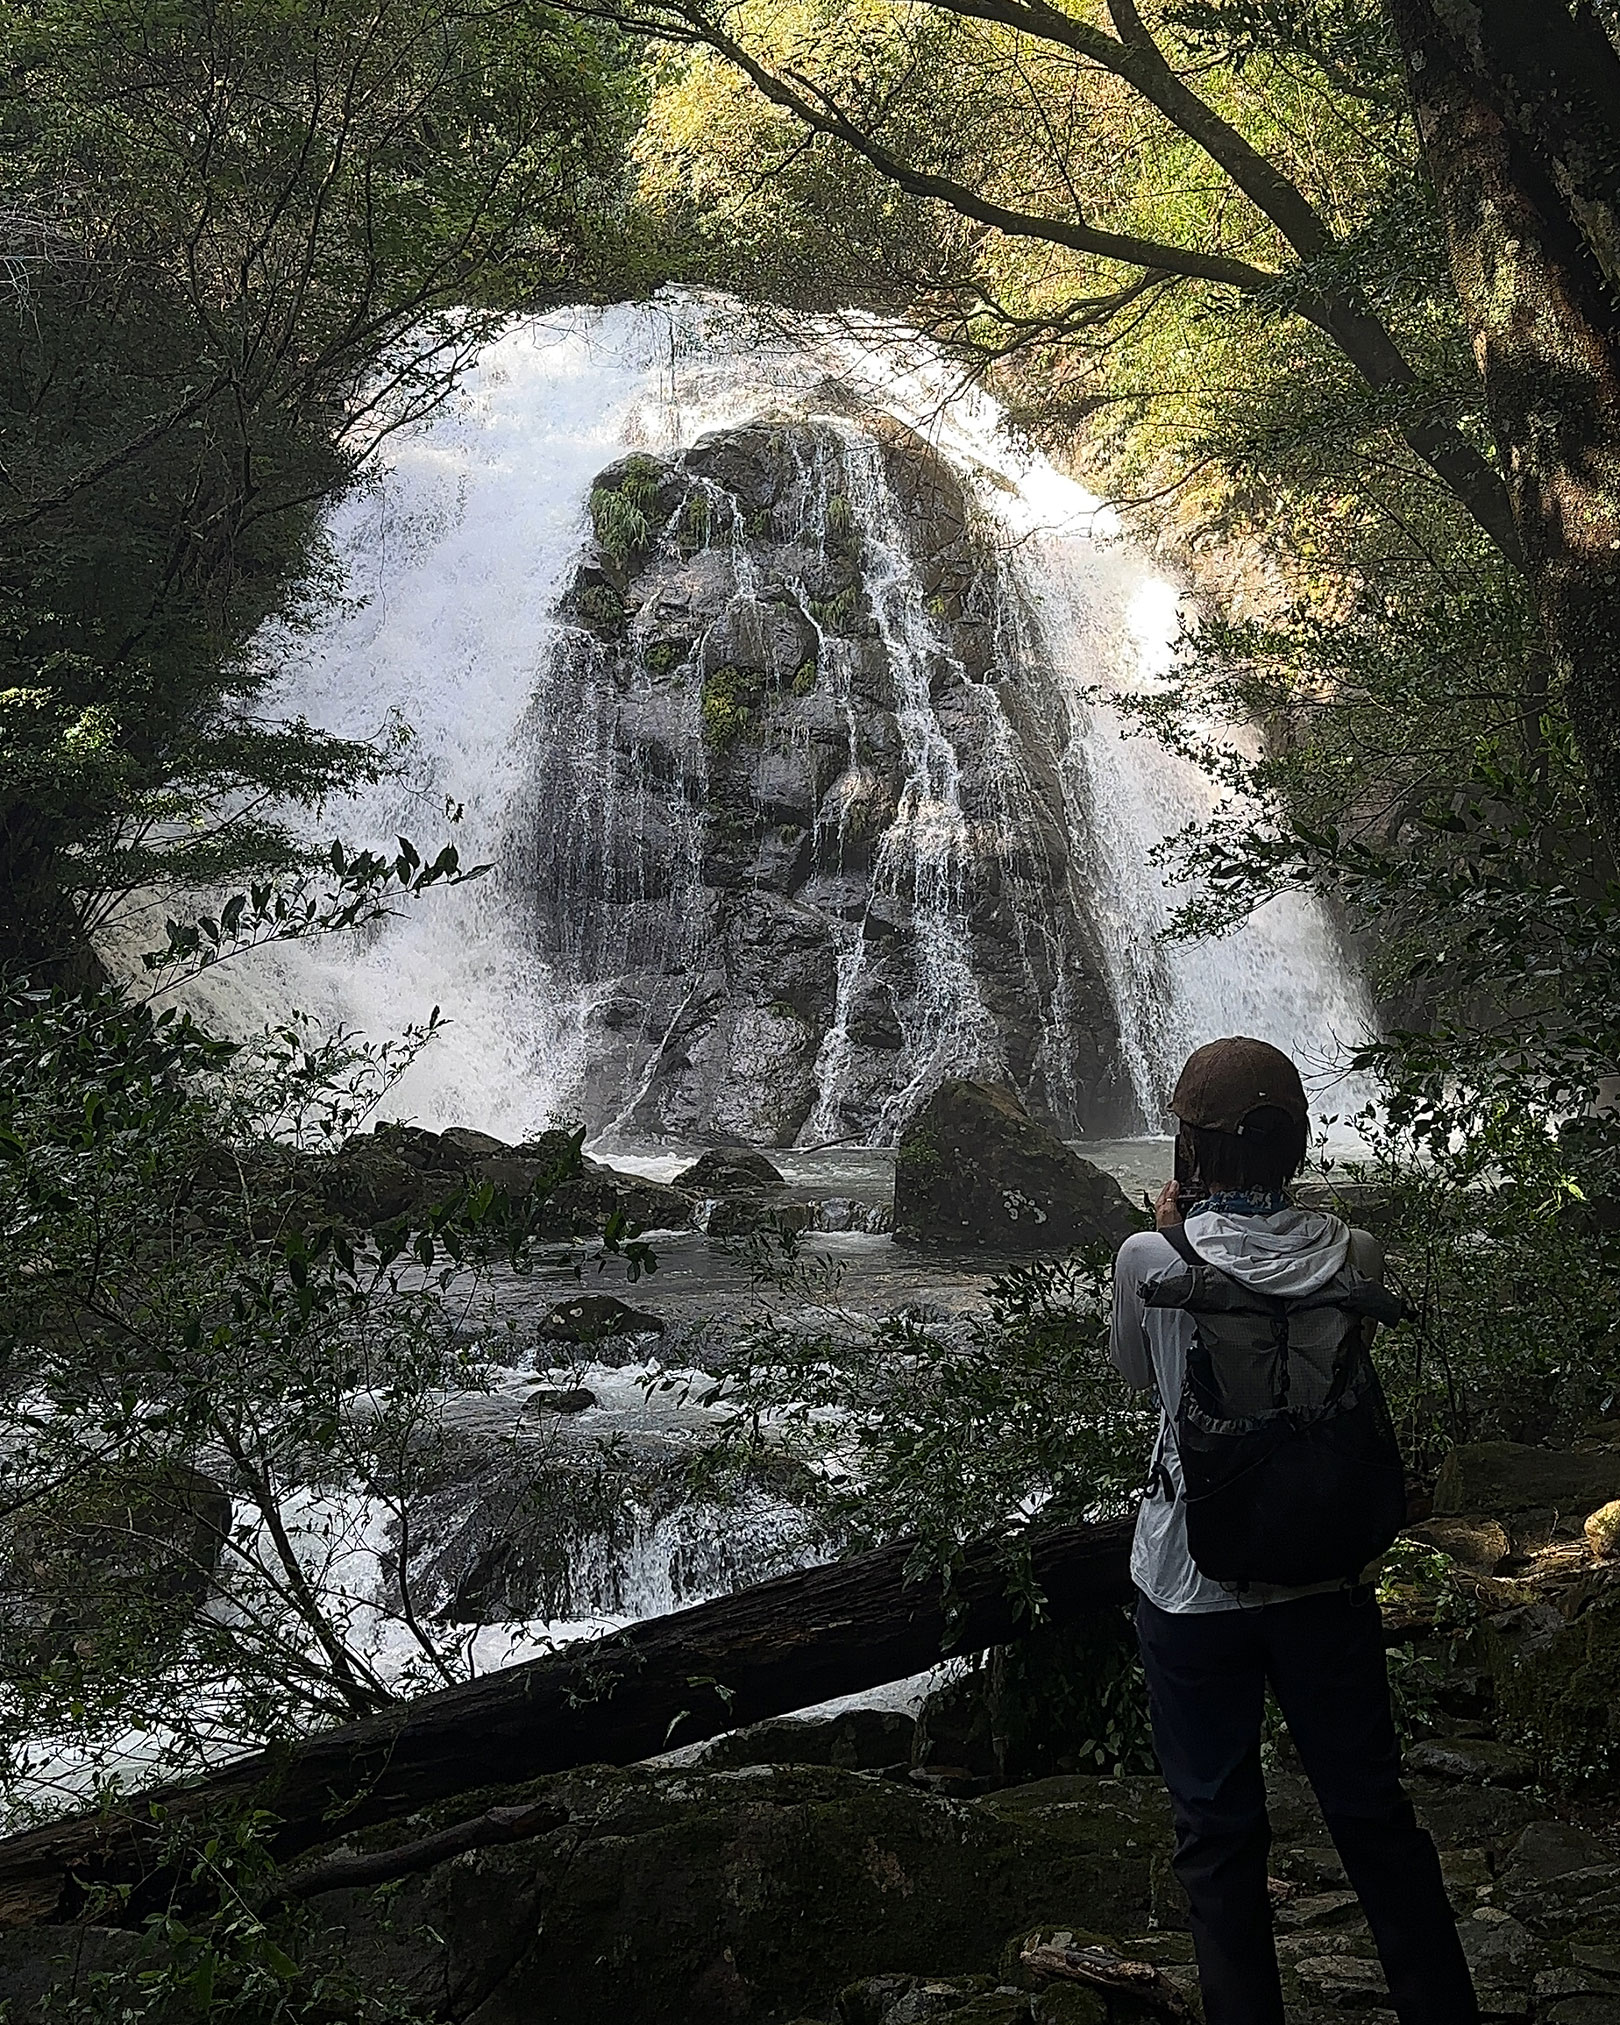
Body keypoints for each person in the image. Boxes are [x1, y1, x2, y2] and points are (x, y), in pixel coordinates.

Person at [1110, 1036, 1479, 2025]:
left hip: (1193, 1584)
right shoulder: (1355, 1254)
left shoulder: (1153, 1256)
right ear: (1294, 1144)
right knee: (1374, 1814)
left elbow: (1140, 1378)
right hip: (1324, 1574)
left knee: (1217, 1831)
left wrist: (1170, 1227)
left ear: (1190, 1144)